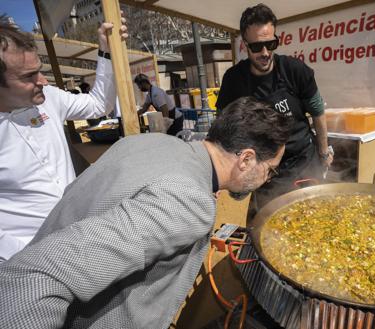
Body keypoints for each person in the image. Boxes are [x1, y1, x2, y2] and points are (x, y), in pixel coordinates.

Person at [0, 96, 291, 329]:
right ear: (247, 159)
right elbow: (37, 274)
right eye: (270, 169)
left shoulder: (150, 141)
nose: (268, 179)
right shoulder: (188, 201)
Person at [0, 15, 128, 261]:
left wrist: (106, 51)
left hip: (78, 238)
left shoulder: (49, 97)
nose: (42, 81)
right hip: (27, 261)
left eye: (40, 70)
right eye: (28, 76)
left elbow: (98, 104)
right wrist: (24, 257)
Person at [216, 3, 334, 212]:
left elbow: (317, 110)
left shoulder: (295, 70)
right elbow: (223, 126)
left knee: (314, 216)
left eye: (271, 44)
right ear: (244, 44)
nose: (265, 52)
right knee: (272, 222)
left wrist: (324, 152)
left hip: (304, 161)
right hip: (264, 169)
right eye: (256, 47)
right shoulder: (234, 80)